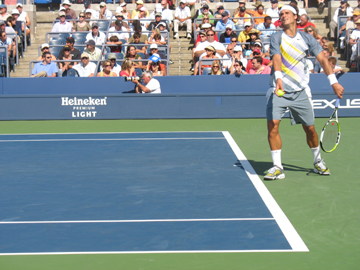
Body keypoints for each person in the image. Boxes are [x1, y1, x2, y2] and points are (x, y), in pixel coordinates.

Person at [264, 4, 344, 180]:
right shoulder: (276, 37)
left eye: (286, 13)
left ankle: (317, 162)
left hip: (300, 91)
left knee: (310, 130)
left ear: (296, 17)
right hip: (279, 91)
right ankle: (277, 167)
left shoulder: (308, 39)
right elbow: (277, 58)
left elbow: (323, 60)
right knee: (273, 126)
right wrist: (278, 78)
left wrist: (333, 82)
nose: (283, 15)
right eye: (281, 14)